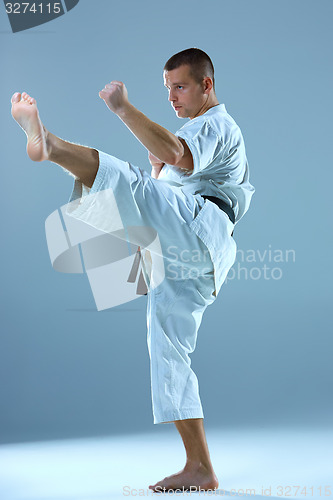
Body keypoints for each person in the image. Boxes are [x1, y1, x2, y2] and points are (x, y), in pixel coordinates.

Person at [11, 48, 255, 493]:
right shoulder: (192, 130)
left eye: (179, 87)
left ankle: (50, 144)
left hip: (200, 228)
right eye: (167, 89)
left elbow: (175, 153)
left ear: (206, 85)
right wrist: (161, 168)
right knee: (167, 351)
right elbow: (169, 164)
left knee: (124, 187)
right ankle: (200, 467)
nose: (172, 97)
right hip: (196, 254)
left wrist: (123, 108)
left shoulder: (216, 123)